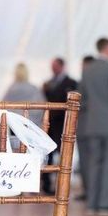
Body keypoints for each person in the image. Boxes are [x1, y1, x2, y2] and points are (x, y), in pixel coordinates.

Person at [79, 38, 108, 215]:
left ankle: (92, 203)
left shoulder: (87, 71)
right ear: (107, 48)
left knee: (93, 163)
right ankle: (105, 204)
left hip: (91, 124)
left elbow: (81, 99)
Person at [42, 57, 78, 194]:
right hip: (50, 125)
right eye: (52, 66)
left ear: (62, 66)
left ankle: (63, 185)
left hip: (64, 125)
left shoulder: (72, 83)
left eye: (55, 66)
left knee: (64, 155)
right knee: (48, 154)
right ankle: (47, 184)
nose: (53, 69)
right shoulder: (48, 83)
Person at [76, 55, 95, 200]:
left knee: (88, 162)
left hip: (85, 127)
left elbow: (82, 104)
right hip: (88, 128)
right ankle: (90, 192)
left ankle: (90, 192)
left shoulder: (84, 82)